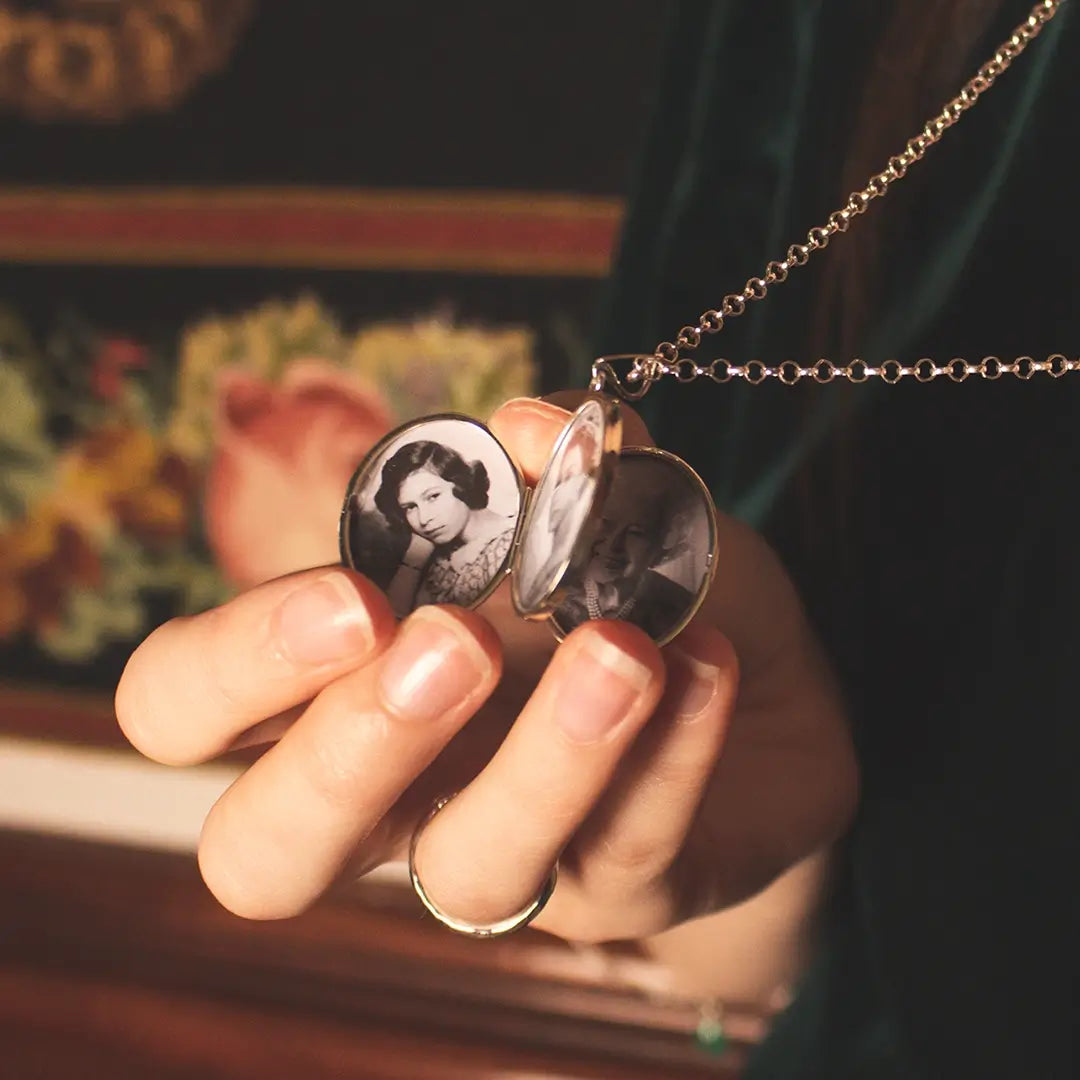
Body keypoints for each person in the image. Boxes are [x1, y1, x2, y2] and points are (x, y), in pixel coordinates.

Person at [114, 4, 1077, 1078]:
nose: (433, 518)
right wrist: (702, 832)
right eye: (422, 508)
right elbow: (776, 963)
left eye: (440, 504)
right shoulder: (827, 55)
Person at [553, 458, 698, 641]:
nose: (614, 545)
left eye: (636, 533)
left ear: (661, 541)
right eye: (604, 523)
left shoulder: (676, 608)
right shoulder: (553, 588)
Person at [372, 439, 516, 617]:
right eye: (410, 507)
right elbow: (393, 619)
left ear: (461, 484)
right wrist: (414, 560)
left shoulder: (510, 545)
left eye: (433, 496)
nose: (424, 519)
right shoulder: (440, 564)